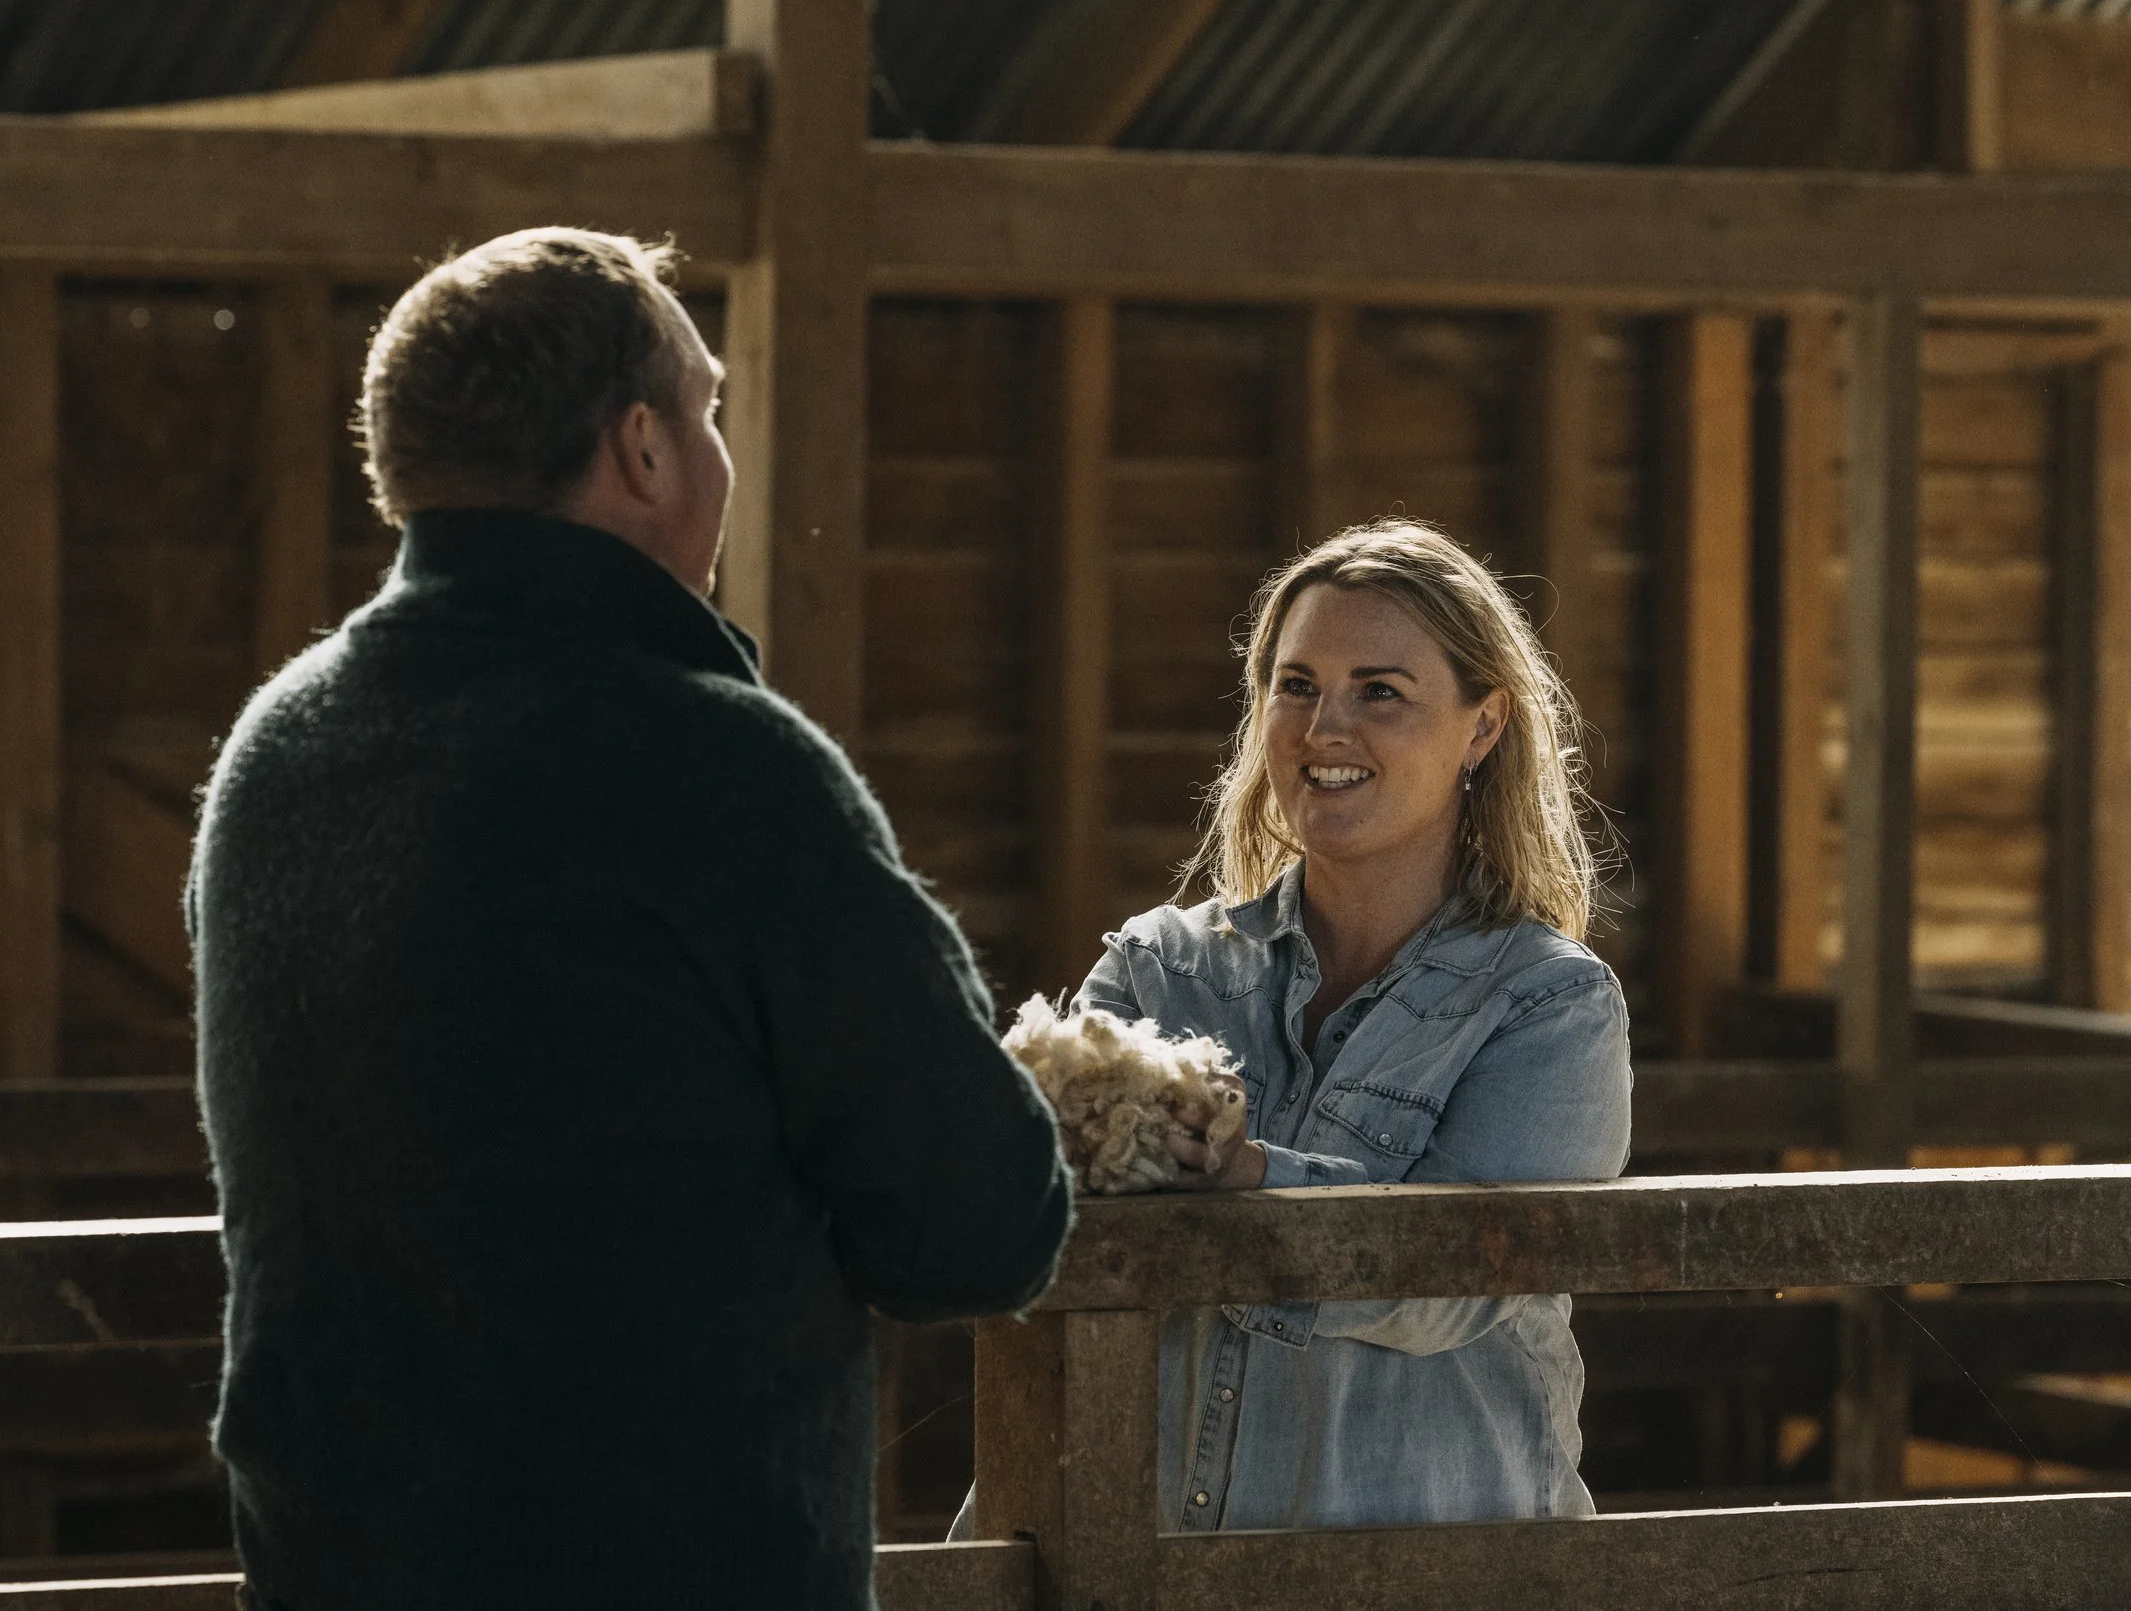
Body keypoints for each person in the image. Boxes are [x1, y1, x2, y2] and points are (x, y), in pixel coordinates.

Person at [191, 228, 1073, 1611]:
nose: (724, 459)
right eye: (711, 412)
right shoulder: (721, 766)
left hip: (336, 1563)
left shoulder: (274, 757)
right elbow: (976, 1220)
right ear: (645, 448)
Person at [957, 518, 1630, 1538]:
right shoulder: (1157, 969)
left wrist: (1249, 1178)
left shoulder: (1547, 1005)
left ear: (1481, 728)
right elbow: (1031, 1213)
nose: (1325, 728)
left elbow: (1449, 1292)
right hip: (1143, 1574)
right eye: (1296, 684)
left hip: (1427, 1583)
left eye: (1380, 691)